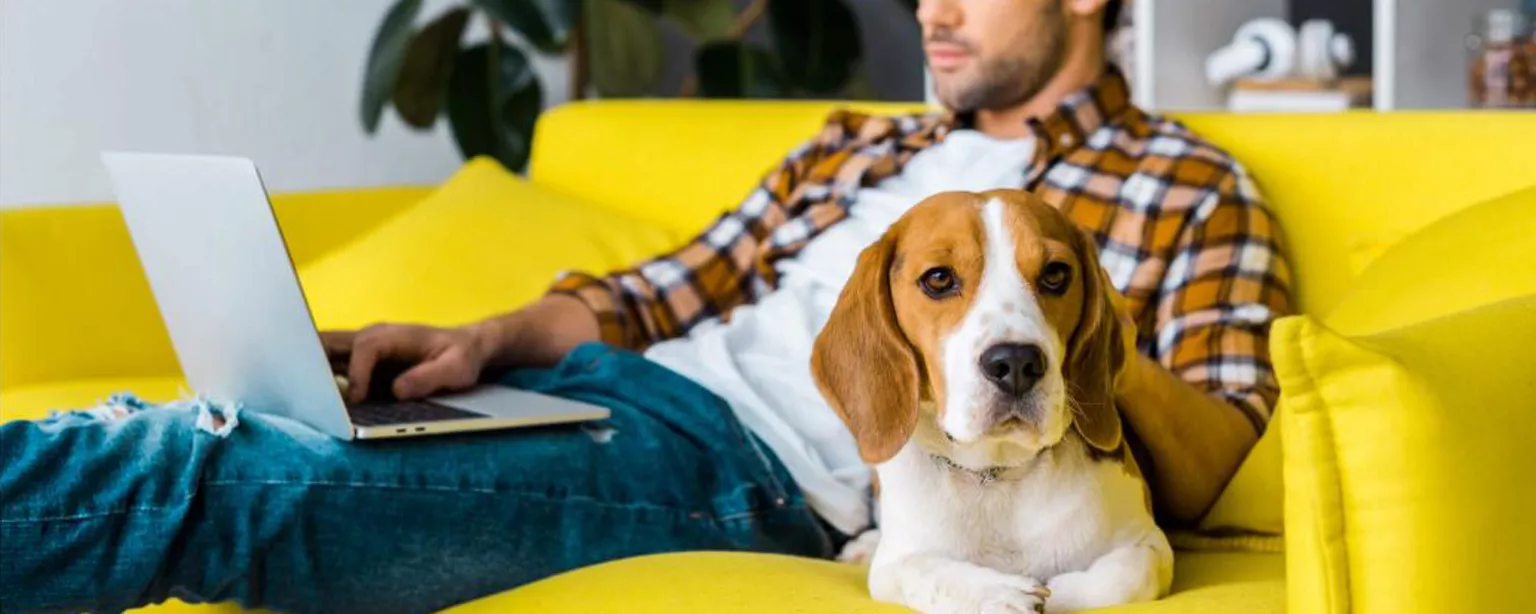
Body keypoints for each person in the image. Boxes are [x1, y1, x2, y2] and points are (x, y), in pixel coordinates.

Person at [0, 0, 1291, 612]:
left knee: (207, 469)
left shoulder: (1181, 184)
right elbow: (667, 286)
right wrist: (481, 342)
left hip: (744, 476)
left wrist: (1057, 335)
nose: (932, 10)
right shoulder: (860, 143)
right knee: (220, 417)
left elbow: (1221, 440)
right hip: (616, 394)